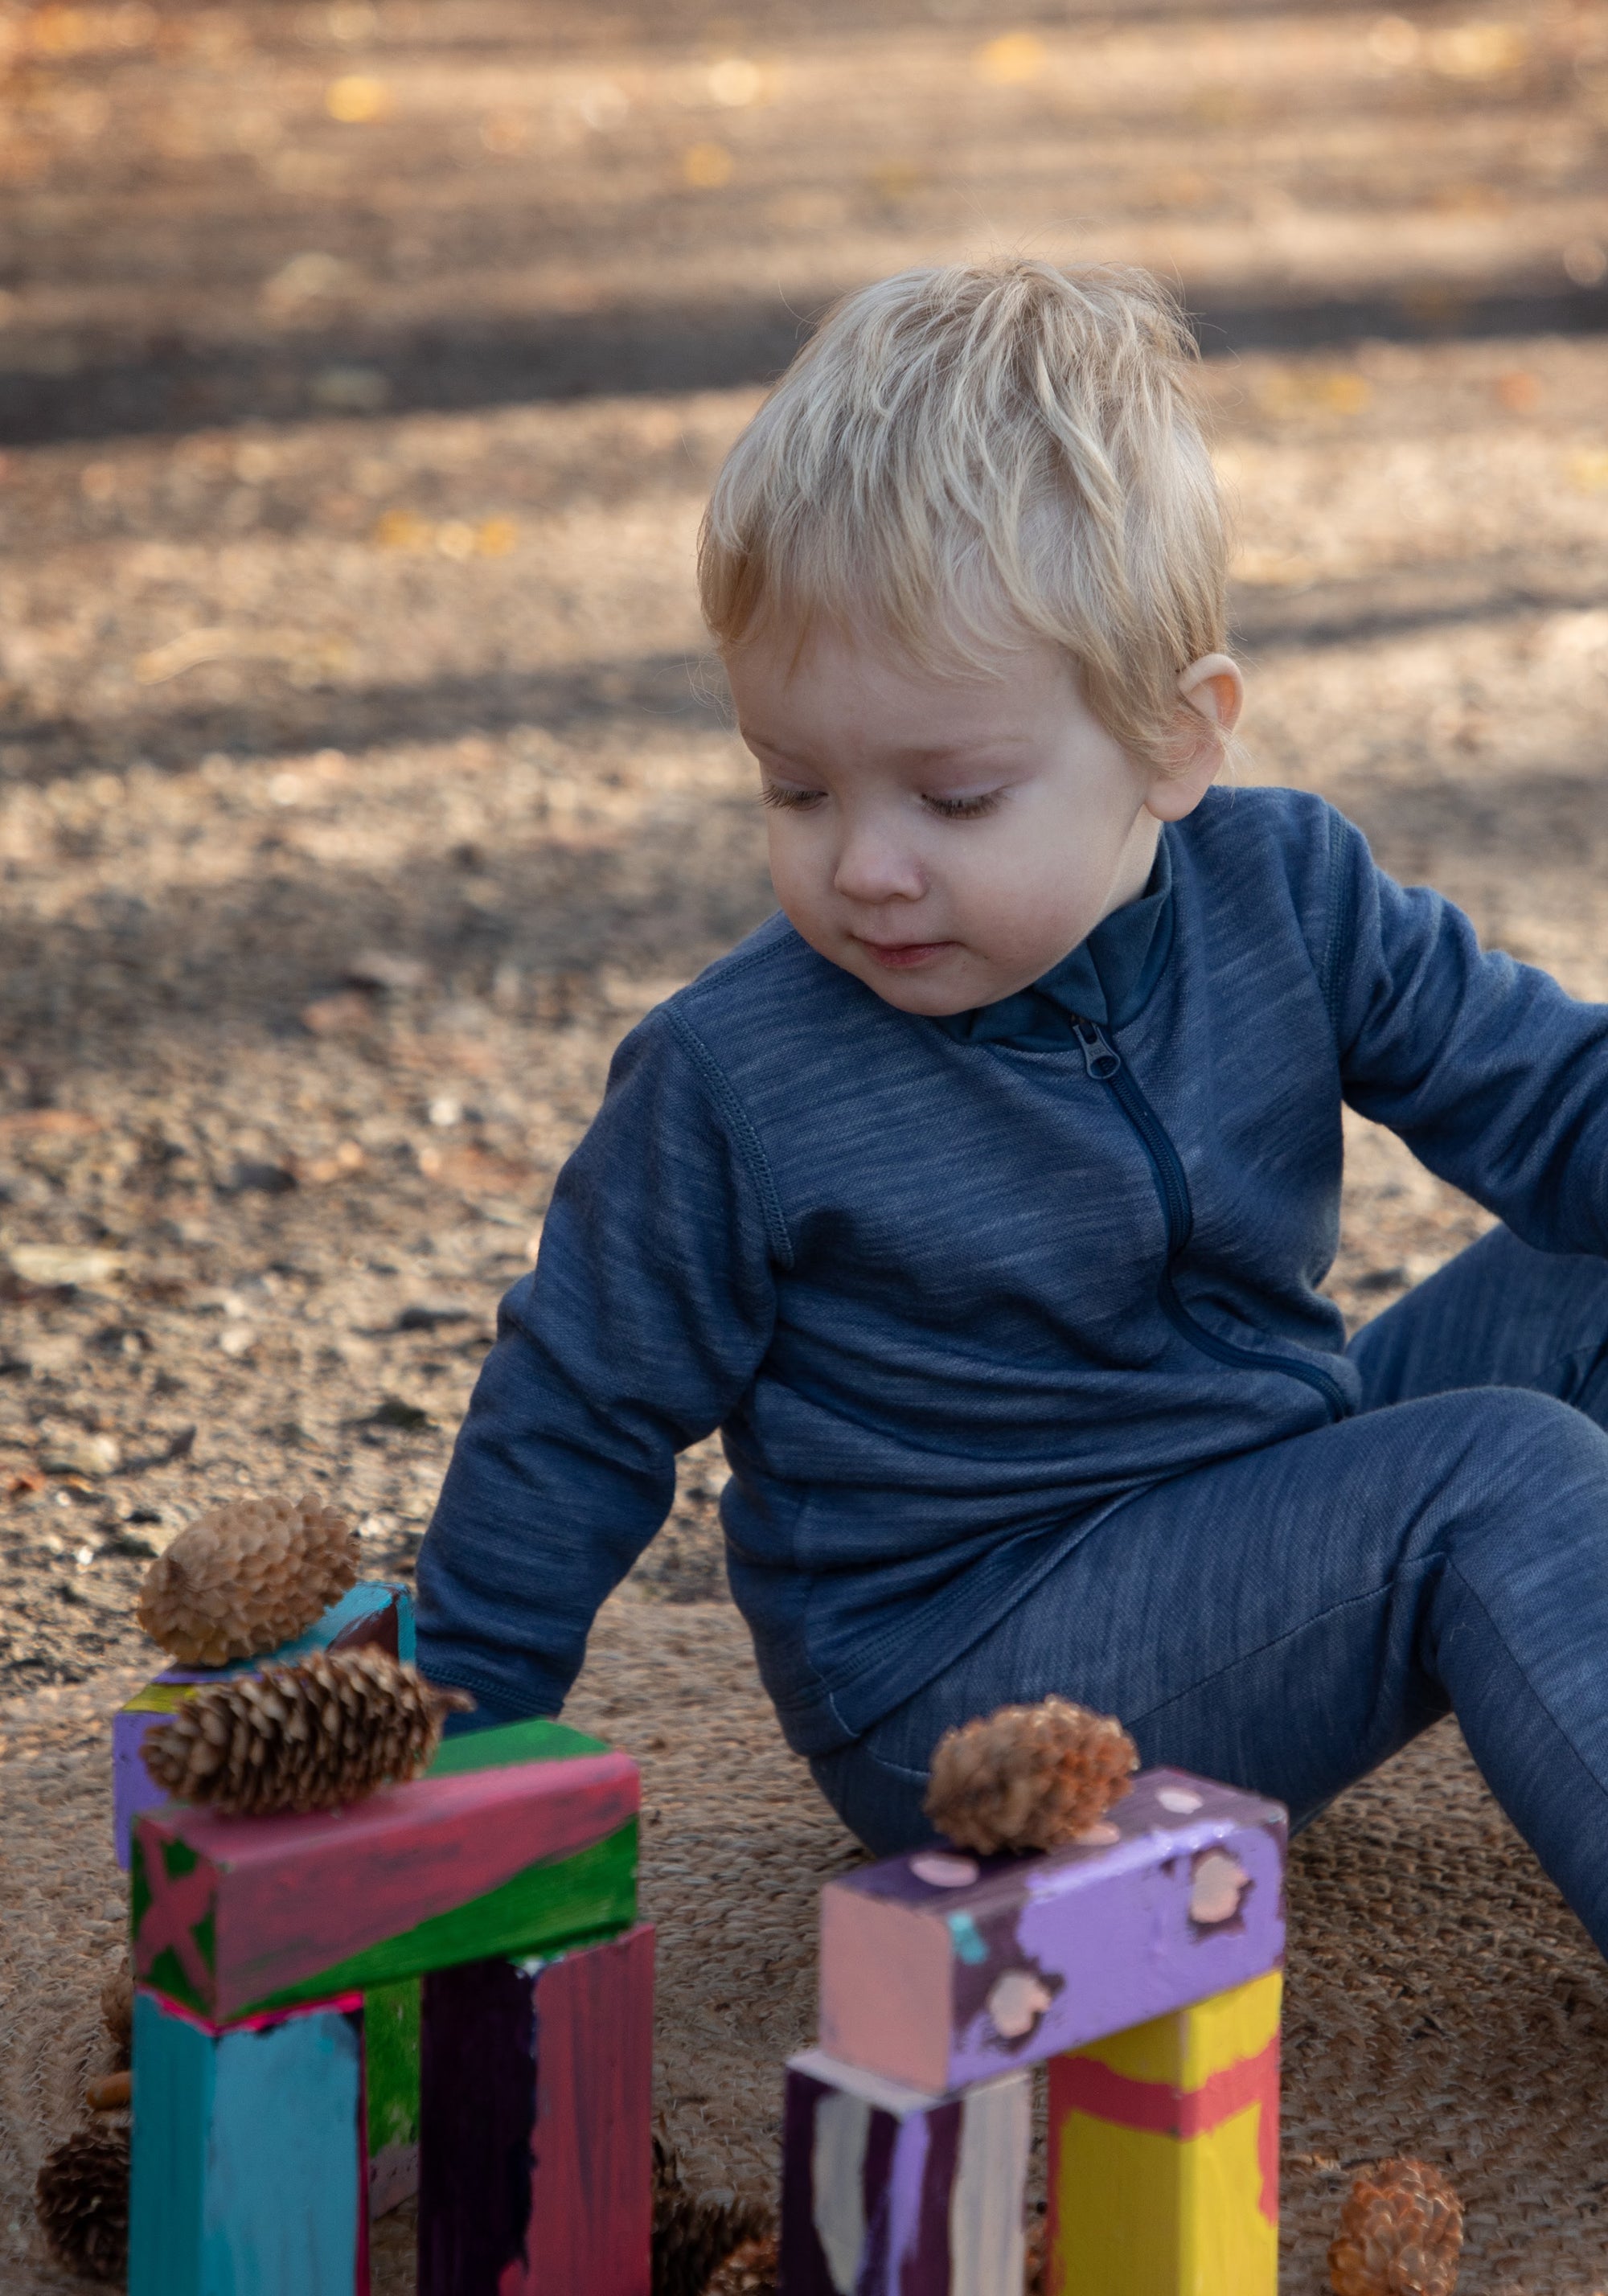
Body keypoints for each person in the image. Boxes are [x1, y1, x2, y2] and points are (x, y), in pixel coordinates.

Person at [416, 259, 1608, 1950]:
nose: (866, 865)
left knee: (1583, 1273)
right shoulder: (738, 1073)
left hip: (1257, 1506)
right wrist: (446, 1747)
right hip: (969, 1685)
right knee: (1498, 1480)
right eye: (796, 787)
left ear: (1172, 745)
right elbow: (576, 1408)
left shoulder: (1289, 893)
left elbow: (1555, 1101)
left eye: (954, 795)